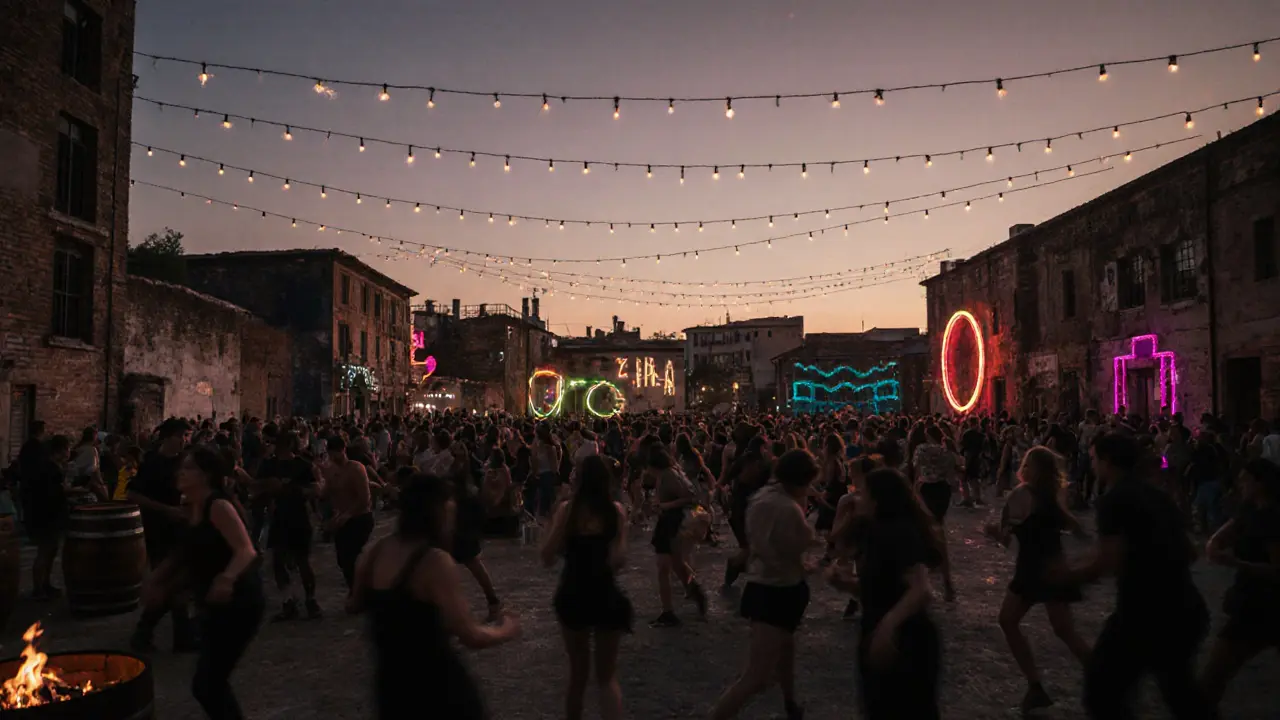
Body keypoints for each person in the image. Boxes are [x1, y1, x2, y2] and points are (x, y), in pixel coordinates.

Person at [1060, 433, 1211, 719]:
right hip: (1185, 607)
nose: (1092, 466)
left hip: (1143, 612)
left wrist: (1066, 578)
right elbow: (1191, 552)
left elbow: (1107, 561)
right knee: (1181, 695)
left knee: (1102, 692)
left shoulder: (1114, 500)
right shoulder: (1157, 495)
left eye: (1094, 459)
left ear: (1107, 462)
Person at [348, 473, 521, 720]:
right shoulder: (434, 562)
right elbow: (470, 634)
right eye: (449, 514)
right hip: (437, 688)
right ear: (437, 514)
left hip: (391, 688)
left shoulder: (376, 551)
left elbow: (354, 604)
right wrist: (506, 628)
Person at [143, 446, 263, 719]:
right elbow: (183, 553)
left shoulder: (218, 506)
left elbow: (246, 550)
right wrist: (157, 581)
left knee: (208, 684)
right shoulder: (191, 508)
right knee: (208, 684)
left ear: (206, 475)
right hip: (212, 603)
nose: (181, 472)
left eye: (189, 468)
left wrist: (227, 578)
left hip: (240, 602)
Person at [710, 450, 818, 720]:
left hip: (777, 586)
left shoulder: (770, 498)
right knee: (757, 676)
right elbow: (772, 548)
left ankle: (791, 702)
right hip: (775, 590)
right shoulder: (781, 505)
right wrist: (802, 564)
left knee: (786, 651)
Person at [985, 446, 1091, 713]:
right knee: (1064, 630)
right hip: (1053, 565)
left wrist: (992, 532)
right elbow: (1070, 526)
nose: (1023, 466)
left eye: (1028, 463)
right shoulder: (1051, 496)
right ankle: (1101, 676)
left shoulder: (1023, 495)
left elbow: (1011, 536)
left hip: (1033, 569)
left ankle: (1036, 685)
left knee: (1009, 621)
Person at [830, 468, 941, 720]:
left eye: (864, 493)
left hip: (906, 639)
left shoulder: (899, 532)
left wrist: (887, 626)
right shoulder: (875, 531)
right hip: (882, 632)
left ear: (878, 499)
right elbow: (880, 587)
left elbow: (921, 590)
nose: (858, 497)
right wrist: (845, 584)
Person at [541, 455, 632, 720]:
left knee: (577, 676)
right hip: (604, 592)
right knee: (607, 678)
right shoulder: (615, 511)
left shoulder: (567, 511)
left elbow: (547, 556)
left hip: (573, 591)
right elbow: (619, 560)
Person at [1199, 458, 1280, 711]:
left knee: (1213, 677)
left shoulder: (1273, 518)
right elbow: (1230, 529)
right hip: (1253, 602)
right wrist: (1214, 542)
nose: (1240, 484)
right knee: (1213, 678)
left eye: (1246, 479)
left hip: (1264, 605)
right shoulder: (1250, 508)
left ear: (1260, 484)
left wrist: (1235, 563)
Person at [130, 418, 198, 652]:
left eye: (187, 436)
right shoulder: (153, 463)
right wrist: (166, 510)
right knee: (171, 582)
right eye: (181, 436)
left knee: (179, 583)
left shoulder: (183, 462)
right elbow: (134, 495)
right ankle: (148, 633)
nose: (185, 440)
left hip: (182, 528)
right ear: (168, 437)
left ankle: (177, 636)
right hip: (159, 529)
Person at [260, 431, 325, 621]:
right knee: (278, 562)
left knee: (302, 561)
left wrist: (294, 490)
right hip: (279, 517)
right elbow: (258, 486)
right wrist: (267, 488)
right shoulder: (269, 465)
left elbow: (316, 489)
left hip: (298, 517)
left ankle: (310, 600)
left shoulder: (302, 465)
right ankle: (288, 602)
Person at [646, 444, 707, 627]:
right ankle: (694, 591)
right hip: (672, 521)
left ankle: (668, 611)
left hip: (671, 522)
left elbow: (690, 497)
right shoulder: (672, 472)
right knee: (676, 563)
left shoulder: (668, 475)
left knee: (664, 567)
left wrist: (664, 506)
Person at [911, 424, 957, 601]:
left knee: (924, 530)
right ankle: (946, 582)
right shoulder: (947, 452)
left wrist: (914, 491)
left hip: (926, 489)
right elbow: (951, 475)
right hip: (942, 491)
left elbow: (917, 471)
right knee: (938, 529)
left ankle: (926, 579)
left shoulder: (921, 449)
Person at [322, 436, 374, 591]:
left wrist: (348, 514)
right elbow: (326, 493)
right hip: (341, 520)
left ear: (343, 450)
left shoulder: (356, 468)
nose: (333, 458)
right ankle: (356, 587)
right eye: (330, 454)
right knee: (342, 559)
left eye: (335, 454)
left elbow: (364, 498)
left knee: (351, 556)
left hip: (359, 519)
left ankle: (358, 590)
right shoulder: (331, 470)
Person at [24, 434, 70, 601]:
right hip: (46, 515)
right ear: (61, 450)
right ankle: (38, 588)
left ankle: (45, 584)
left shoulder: (49, 466)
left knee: (51, 550)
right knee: (44, 551)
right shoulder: (49, 468)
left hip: (48, 514)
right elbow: (52, 492)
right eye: (67, 448)